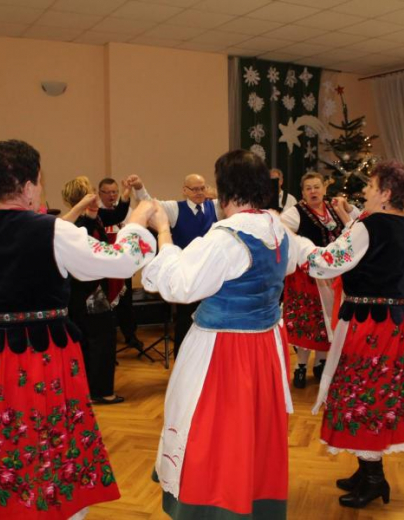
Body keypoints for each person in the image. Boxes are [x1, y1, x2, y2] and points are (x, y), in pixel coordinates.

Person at [0, 138, 159, 519]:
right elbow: (122, 260)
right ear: (29, 187)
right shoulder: (51, 232)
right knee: (46, 434)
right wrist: (137, 222)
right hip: (41, 355)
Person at [142, 150, 302, 519]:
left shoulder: (227, 238)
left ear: (226, 191)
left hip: (223, 352)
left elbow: (178, 286)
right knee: (250, 434)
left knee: (215, 434)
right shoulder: (279, 230)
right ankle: (252, 499)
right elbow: (298, 260)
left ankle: (215, 507)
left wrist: (164, 233)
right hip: (263, 348)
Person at [298, 161, 404, 509]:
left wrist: (299, 249)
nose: (366, 192)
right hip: (402, 322)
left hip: (371, 325)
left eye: (371, 187)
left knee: (364, 394)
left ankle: (374, 478)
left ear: (387, 194)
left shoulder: (368, 226)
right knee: (377, 392)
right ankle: (368, 469)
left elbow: (325, 262)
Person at [61, 176, 131, 405]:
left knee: (95, 341)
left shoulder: (93, 217)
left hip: (90, 290)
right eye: (89, 194)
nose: (95, 197)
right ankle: (101, 391)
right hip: (86, 292)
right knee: (101, 341)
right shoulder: (78, 225)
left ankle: (92, 389)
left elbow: (118, 214)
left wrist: (127, 193)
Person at [136, 173, 221, 358]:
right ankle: (182, 359)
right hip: (186, 274)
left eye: (202, 188)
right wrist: (139, 188)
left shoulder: (215, 206)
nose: (199, 192)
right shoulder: (175, 208)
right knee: (184, 321)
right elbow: (150, 204)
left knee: (211, 319)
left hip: (210, 274)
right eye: (195, 189)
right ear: (185, 190)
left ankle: (207, 360)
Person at [280, 172, 347, 388]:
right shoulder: (295, 213)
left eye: (316, 187)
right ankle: (300, 366)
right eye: (308, 188)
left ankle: (320, 363)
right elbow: (281, 233)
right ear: (302, 193)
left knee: (328, 319)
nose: (313, 191)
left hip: (333, 275)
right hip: (306, 277)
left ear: (324, 189)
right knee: (308, 321)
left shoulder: (334, 210)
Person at [96, 176, 145, 351]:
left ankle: (130, 335)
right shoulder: (95, 212)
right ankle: (108, 338)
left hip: (122, 263)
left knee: (126, 302)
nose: (111, 195)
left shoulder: (126, 211)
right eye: (107, 192)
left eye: (114, 192)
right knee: (105, 302)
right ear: (99, 193)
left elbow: (134, 233)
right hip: (102, 267)